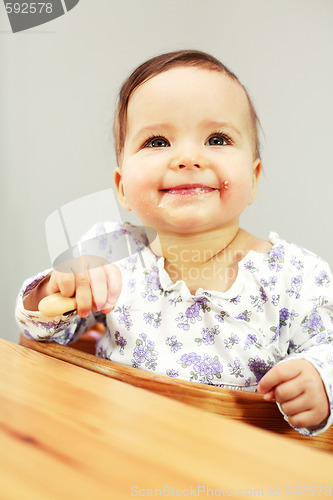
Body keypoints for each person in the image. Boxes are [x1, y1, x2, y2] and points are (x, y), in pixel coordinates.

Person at [16, 50, 333, 436]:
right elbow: (43, 337)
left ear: (253, 178)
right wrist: (58, 288)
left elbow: (327, 345)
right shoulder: (111, 252)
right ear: (122, 189)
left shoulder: (296, 275)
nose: (186, 157)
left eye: (217, 138)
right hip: (116, 444)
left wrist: (319, 380)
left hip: (241, 468)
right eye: (157, 141)